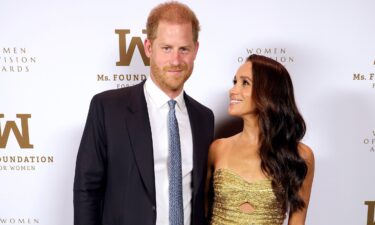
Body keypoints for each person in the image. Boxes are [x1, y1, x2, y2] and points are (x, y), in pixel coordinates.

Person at [73, 2, 214, 225]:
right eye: (166, 48)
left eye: (184, 49)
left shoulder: (204, 118)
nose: (175, 60)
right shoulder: (108, 108)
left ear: (196, 50)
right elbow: (87, 191)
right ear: (149, 48)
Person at [205, 54, 314, 225]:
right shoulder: (218, 148)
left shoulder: (300, 155)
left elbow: (297, 220)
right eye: (235, 82)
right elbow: (203, 213)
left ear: (269, 92)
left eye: (245, 83)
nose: (232, 90)